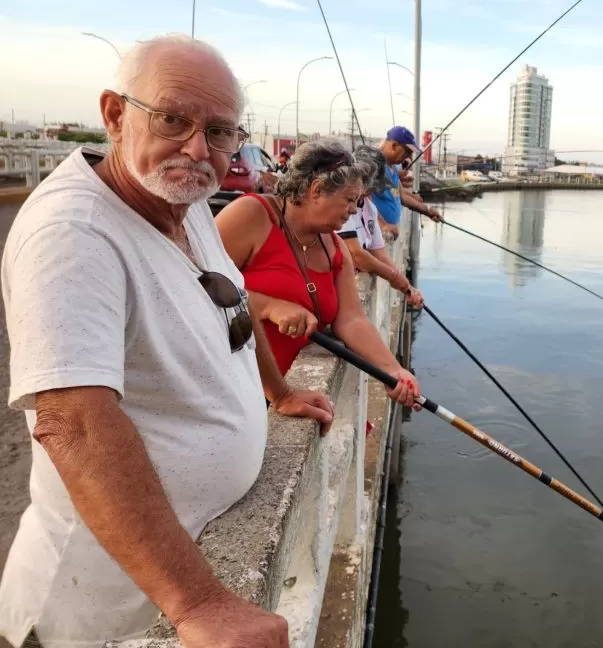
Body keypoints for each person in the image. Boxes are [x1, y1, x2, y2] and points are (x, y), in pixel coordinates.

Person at [0, 34, 339, 648]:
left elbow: (233, 304)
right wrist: (199, 602)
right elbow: (71, 421)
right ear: (114, 114)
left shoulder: (185, 205)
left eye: (218, 131)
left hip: (176, 561)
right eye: (173, 118)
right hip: (102, 614)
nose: (196, 147)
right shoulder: (73, 232)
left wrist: (279, 390)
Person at [214, 139, 425, 388]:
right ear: (316, 189)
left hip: (295, 392)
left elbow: (351, 320)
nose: (353, 211)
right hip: (234, 387)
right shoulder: (251, 215)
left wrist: (393, 371)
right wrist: (269, 306)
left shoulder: (335, 248)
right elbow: (199, 285)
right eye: (349, 200)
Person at [340, 146, 424, 308]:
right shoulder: (342, 207)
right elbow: (357, 255)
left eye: (373, 185)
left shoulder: (369, 209)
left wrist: (408, 289)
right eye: (367, 183)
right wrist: (394, 277)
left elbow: (380, 255)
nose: (370, 190)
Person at [373, 125, 443, 239]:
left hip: (385, 233)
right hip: (376, 232)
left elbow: (402, 196)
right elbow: (363, 201)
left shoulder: (392, 168)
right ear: (394, 146)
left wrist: (427, 211)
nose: (409, 157)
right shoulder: (374, 165)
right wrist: (383, 225)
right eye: (407, 152)